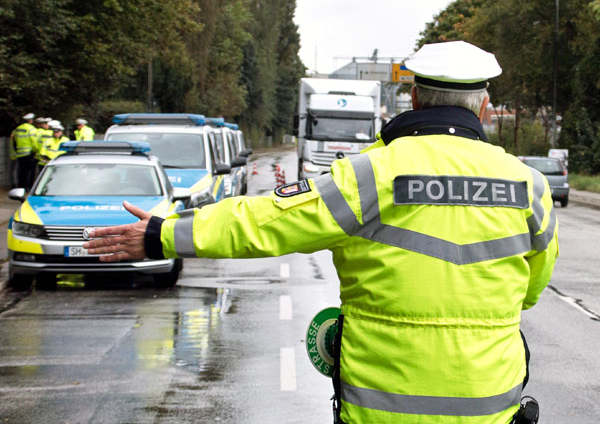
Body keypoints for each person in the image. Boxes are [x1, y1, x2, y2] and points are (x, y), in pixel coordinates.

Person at [84, 41, 558, 424]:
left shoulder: (368, 175)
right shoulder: (529, 185)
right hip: (491, 406)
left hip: (380, 412)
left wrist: (163, 234)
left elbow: (266, 220)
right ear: (485, 105)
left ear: (413, 98)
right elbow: (531, 290)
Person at [11, 112, 37, 189]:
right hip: (29, 153)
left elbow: (14, 140)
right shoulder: (32, 129)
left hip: (20, 153)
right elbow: (34, 142)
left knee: (21, 171)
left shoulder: (18, 129)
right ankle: (28, 187)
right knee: (30, 172)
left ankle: (21, 186)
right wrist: (35, 151)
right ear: (31, 120)